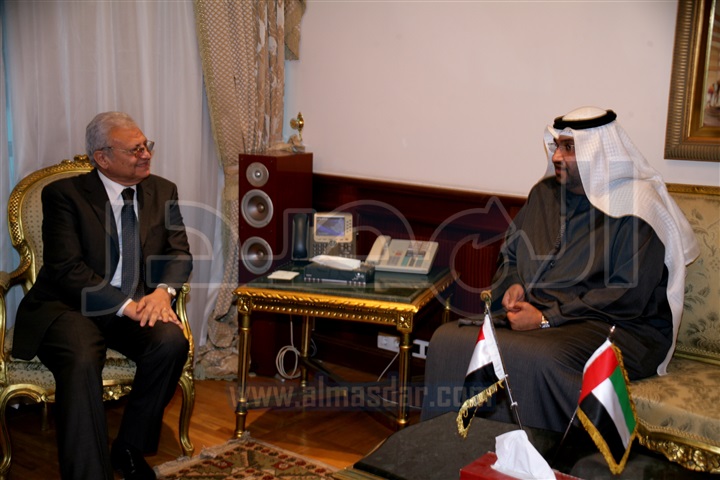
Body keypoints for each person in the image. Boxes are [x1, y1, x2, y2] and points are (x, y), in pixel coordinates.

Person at [421, 106, 699, 433]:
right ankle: (455, 448)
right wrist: (514, 284)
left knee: (536, 357)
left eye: (569, 148)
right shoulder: (544, 195)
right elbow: (511, 254)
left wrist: (545, 318)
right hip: (545, 317)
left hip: (621, 328)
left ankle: (544, 456)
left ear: (597, 152)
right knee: (450, 339)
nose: (556, 156)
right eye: (557, 146)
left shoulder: (636, 206)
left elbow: (626, 294)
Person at [12, 112, 193, 480]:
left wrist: (163, 293)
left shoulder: (163, 190)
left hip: (135, 304)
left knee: (171, 341)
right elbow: (67, 269)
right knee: (81, 357)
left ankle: (128, 448)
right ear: (102, 157)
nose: (146, 154)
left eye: (146, 145)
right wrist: (127, 306)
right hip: (68, 306)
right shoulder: (64, 195)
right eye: (135, 149)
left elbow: (179, 253)